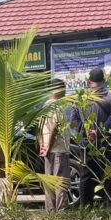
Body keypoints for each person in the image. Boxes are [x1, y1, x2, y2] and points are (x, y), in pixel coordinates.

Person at [73, 68, 111, 207]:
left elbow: (74, 121)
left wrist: (84, 133)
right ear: (103, 81)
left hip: (88, 143)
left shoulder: (81, 98)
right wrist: (99, 131)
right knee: (109, 175)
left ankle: (85, 207)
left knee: (86, 176)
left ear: (89, 81)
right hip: (106, 143)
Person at [39, 81, 71, 210]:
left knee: (49, 182)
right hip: (58, 149)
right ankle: (61, 212)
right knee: (60, 182)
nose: (65, 92)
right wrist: (49, 145)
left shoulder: (45, 106)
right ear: (58, 90)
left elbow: (40, 129)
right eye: (64, 89)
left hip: (48, 149)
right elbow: (54, 128)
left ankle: (51, 211)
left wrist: (43, 146)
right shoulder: (57, 106)